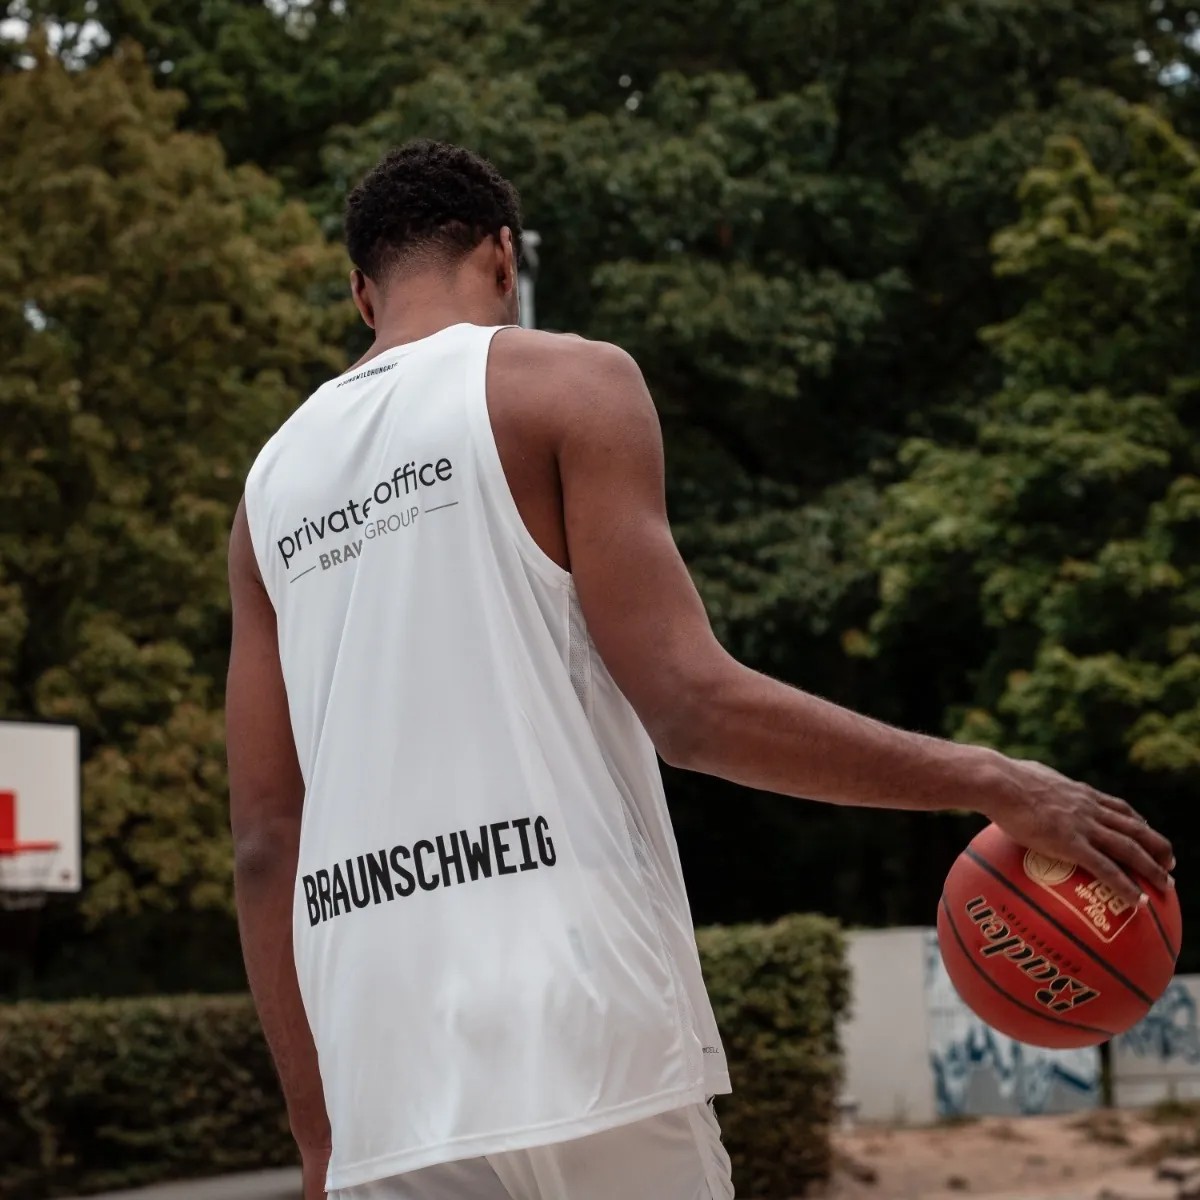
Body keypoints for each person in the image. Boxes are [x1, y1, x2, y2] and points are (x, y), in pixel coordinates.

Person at [225, 140, 1174, 1200]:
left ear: (362, 293)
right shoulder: (568, 384)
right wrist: (992, 778)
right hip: (576, 1008)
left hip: (380, 1058)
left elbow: (265, 839)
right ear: (502, 256)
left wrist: (320, 1136)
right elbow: (690, 708)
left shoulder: (269, 489)